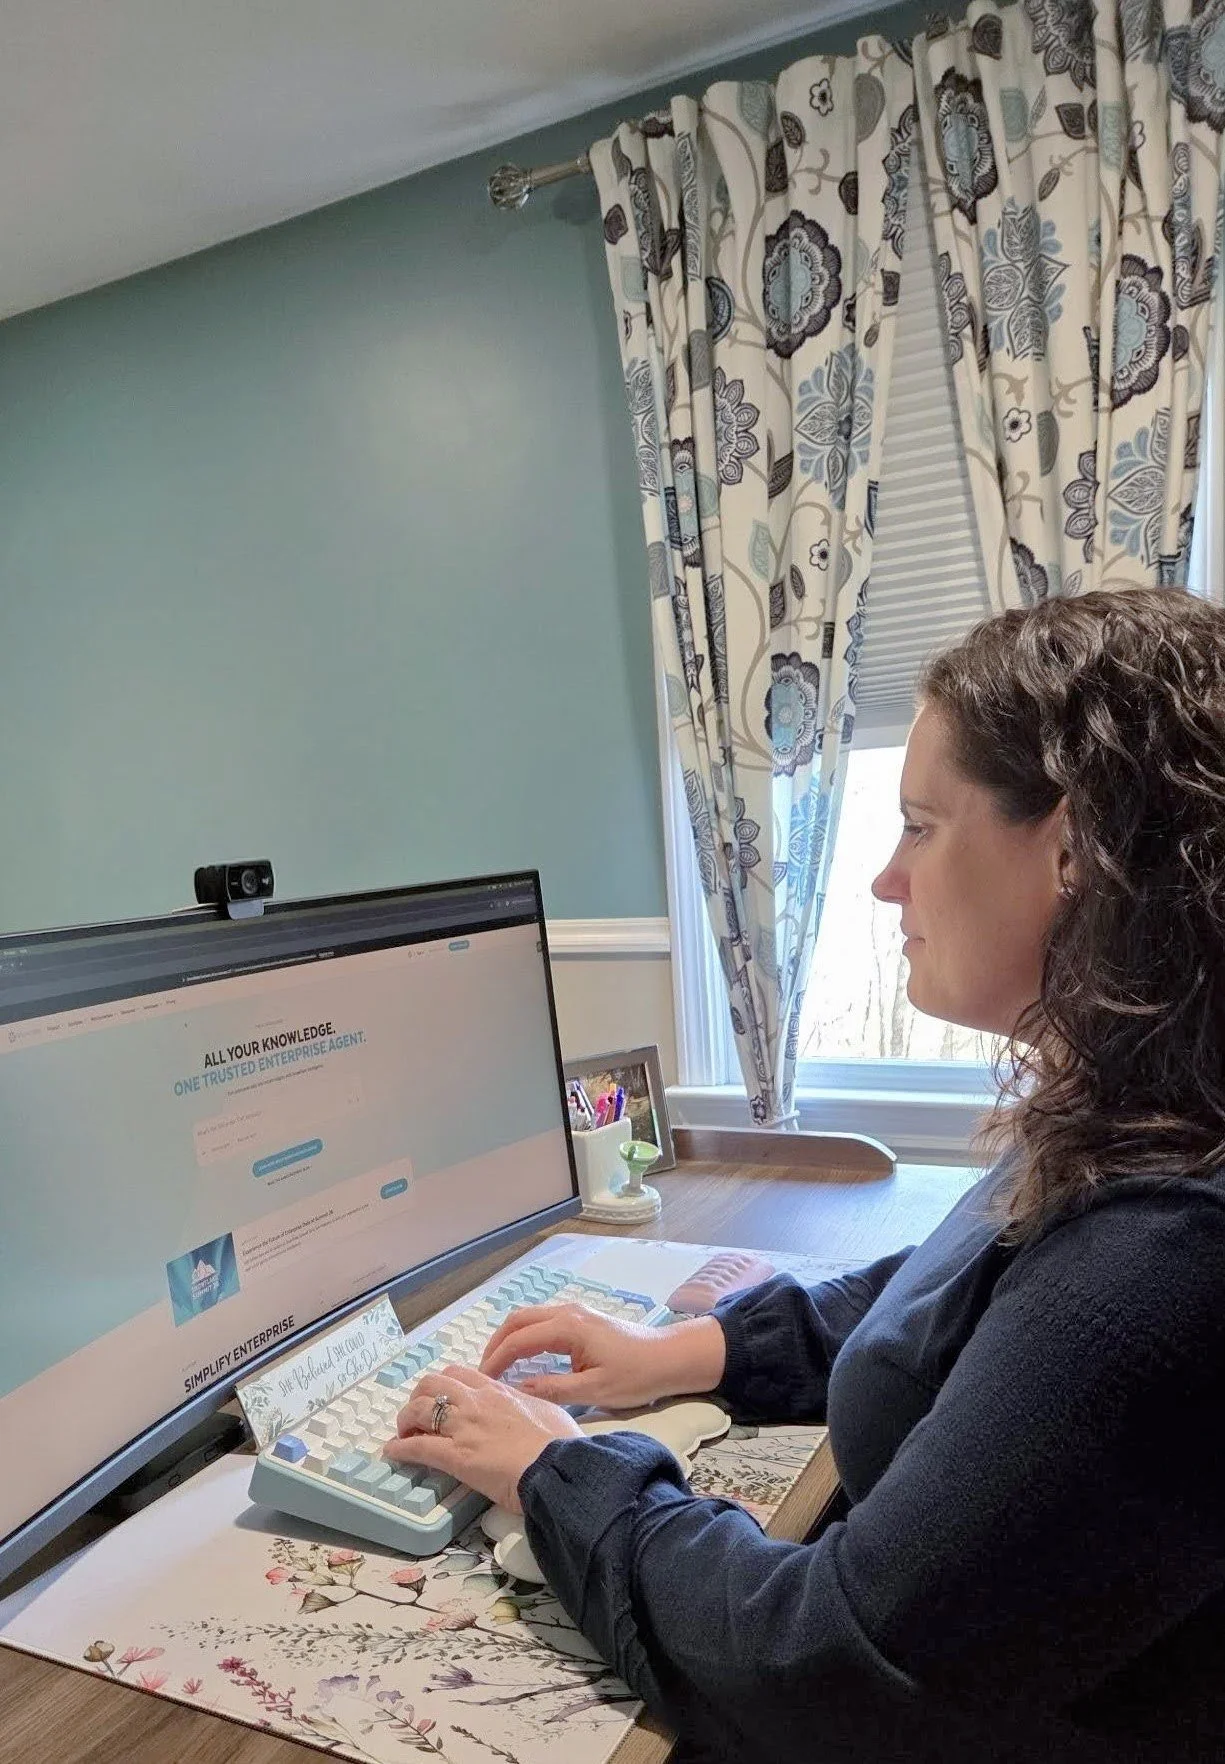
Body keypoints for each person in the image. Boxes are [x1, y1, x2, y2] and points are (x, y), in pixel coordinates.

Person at [385, 589, 1225, 1763]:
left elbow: (825, 1666)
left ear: (1074, 847)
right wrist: (687, 1354)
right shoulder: (1138, 1110)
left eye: (921, 826)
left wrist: (556, 1472)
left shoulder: (1168, 1261)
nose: (887, 880)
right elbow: (944, 1294)